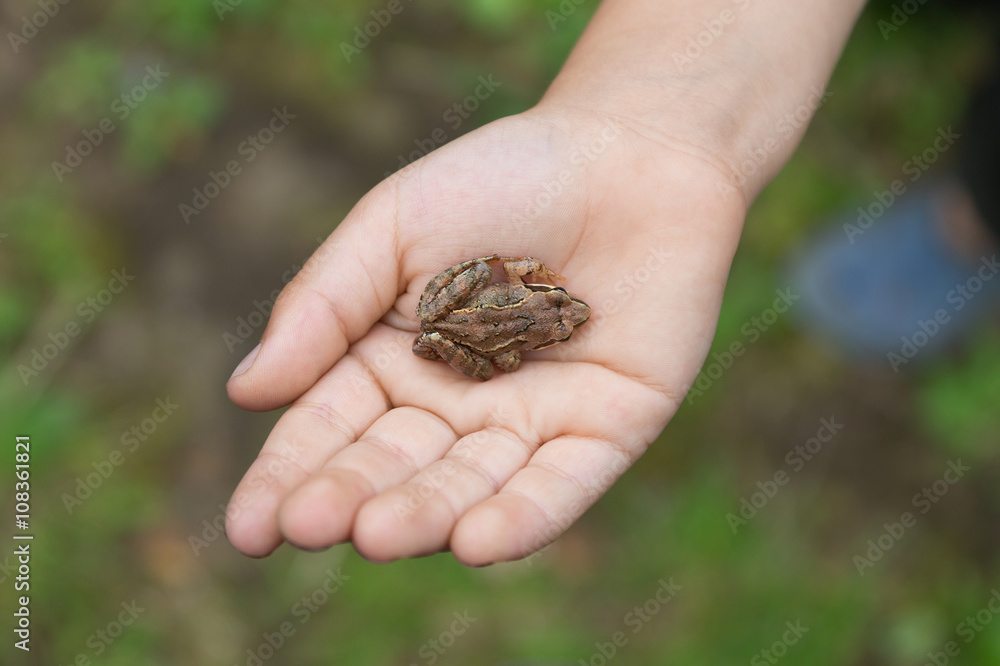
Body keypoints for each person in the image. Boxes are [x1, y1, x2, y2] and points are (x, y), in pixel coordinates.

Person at [222, 0, 921, 566]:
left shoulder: (535, 311)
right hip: (466, 324)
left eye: (562, 316)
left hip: (477, 316)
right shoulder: (527, 323)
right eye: (562, 313)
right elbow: (503, 339)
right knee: (449, 330)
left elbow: (512, 309)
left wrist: (520, 316)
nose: (568, 313)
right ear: (545, 315)